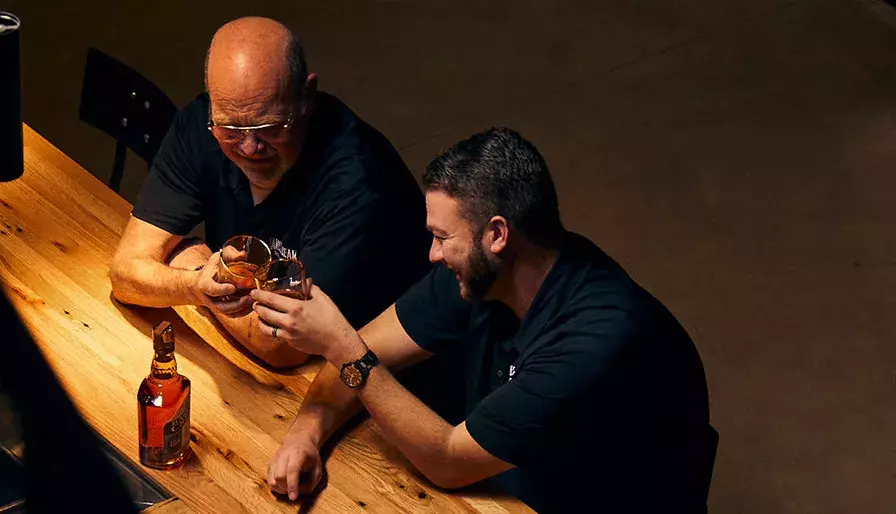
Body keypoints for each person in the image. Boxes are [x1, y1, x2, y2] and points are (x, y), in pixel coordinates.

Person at [251, 128, 715, 511]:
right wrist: (304, 436)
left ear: (497, 234)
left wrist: (339, 344)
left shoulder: (597, 340)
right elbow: (365, 353)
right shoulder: (477, 274)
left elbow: (448, 460)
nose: (432, 254)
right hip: (505, 486)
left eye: (440, 237)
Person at [108, 17, 426, 369]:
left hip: (375, 375)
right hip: (256, 361)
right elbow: (125, 274)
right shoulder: (201, 126)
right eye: (229, 128)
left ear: (306, 98)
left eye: (269, 127)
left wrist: (187, 256)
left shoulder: (358, 181)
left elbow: (281, 347)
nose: (249, 146)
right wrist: (197, 286)